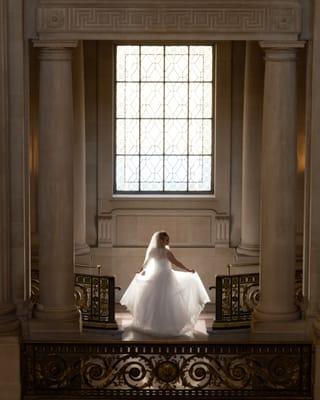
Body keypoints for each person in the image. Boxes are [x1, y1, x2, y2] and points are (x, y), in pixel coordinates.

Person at [120, 231, 210, 337]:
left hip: (161, 278)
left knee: (161, 302)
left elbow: (148, 263)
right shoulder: (165, 251)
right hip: (163, 278)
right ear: (160, 240)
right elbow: (152, 263)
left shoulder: (155, 251)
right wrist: (140, 271)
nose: (168, 242)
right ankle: (158, 325)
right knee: (159, 302)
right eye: (166, 240)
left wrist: (187, 269)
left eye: (168, 240)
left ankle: (159, 325)